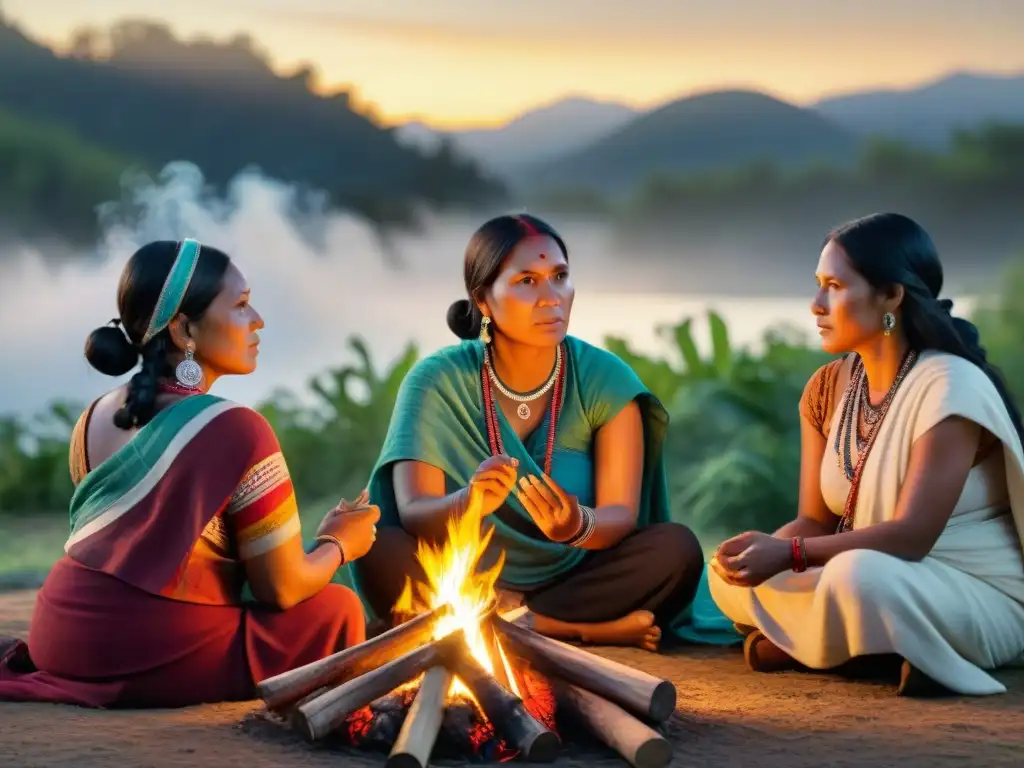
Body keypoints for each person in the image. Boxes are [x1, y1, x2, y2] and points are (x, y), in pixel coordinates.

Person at [0, 238, 378, 708]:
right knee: (335, 609)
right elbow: (280, 587)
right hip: (142, 651)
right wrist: (339, 543)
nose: (258, 319)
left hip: (60, 635)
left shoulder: (92, 417)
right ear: (182, 330)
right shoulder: (238, 429)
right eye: (240, 305)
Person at [350, 213, 737, 652]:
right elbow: (416, 511)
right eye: (527, 282)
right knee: (379, 543)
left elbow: (621, 514)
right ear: (482, 300)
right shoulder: (436, 380)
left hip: (572, 577)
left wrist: (576, 525)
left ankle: (503, 618)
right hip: (462, 572)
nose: (551, 298)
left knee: (676, 550)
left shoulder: (604, 378)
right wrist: (470, 502)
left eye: (560, 276)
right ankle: (572, 632)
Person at [708, 212, 1024, 696]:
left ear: (891, 296)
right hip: (866, 577)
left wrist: (788, 553)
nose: (816, 305)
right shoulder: (827, 389)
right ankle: (874, 650)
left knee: (859, 577)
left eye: (833, 285)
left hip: (969, 591)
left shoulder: (949, 385)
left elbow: (912, 537)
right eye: (818, 285)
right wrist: (761, 551)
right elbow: (813, 521)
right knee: (725, 578)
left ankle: (819, 648)